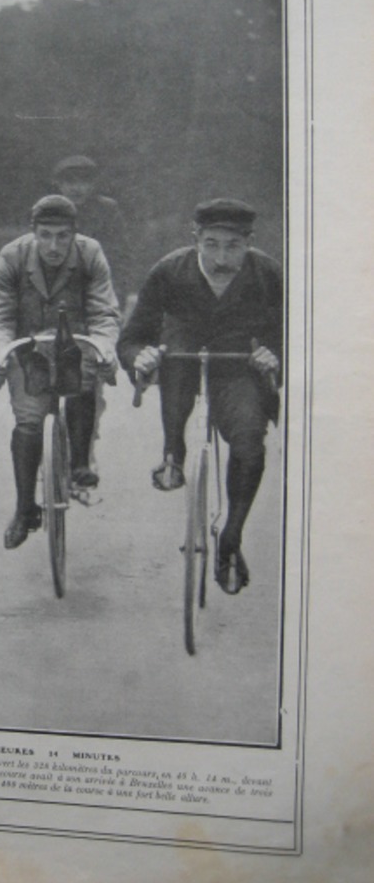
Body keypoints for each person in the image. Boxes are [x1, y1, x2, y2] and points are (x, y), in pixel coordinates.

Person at [117, 198, 282, 594]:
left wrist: (274, 354)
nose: (221, 257)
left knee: (248, 444)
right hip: (182, 356)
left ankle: (231, 538)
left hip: (237, 364)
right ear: (195, 240)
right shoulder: (169, 271)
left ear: (249, 242)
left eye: (233, 246)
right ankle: (173, 453)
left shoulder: (266, 273)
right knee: (173, 365)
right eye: (211, 244)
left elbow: (290, 331)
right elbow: (133, 335)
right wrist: (139, 356)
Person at [0, 195, 121, 549]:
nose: (54, 245)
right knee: (29, 421)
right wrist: (0, 351)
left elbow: (104, 312)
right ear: (33, 232)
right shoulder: (12, 257)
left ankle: (79, 467)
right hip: (27, 349)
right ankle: (24, 508)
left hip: (75, 345)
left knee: (84, 382)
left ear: (75, 233)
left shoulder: (90, 254)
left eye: (63, 236)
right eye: (45, 235)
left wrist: (104, 344)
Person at [50, 155, 134, 306]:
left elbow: (119, 257)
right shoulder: (49, 211)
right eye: (70, 181)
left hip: (98, 291)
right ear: (59, 184)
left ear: (93, 184)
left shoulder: (107, 210)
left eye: (84, 181)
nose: (77, 188)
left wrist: (116, 295)